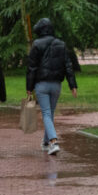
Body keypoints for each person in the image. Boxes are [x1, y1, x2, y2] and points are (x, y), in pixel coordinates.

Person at [26, 18, 77, 155]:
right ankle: (45, 142)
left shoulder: (36, 44)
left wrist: (29, 87)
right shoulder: (61, 44)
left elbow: (32, 67)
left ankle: (54, 142)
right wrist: (72, 85)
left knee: (47, 114)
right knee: (50, 113)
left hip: (41, 84)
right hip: (56, 85)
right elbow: (68, 65)